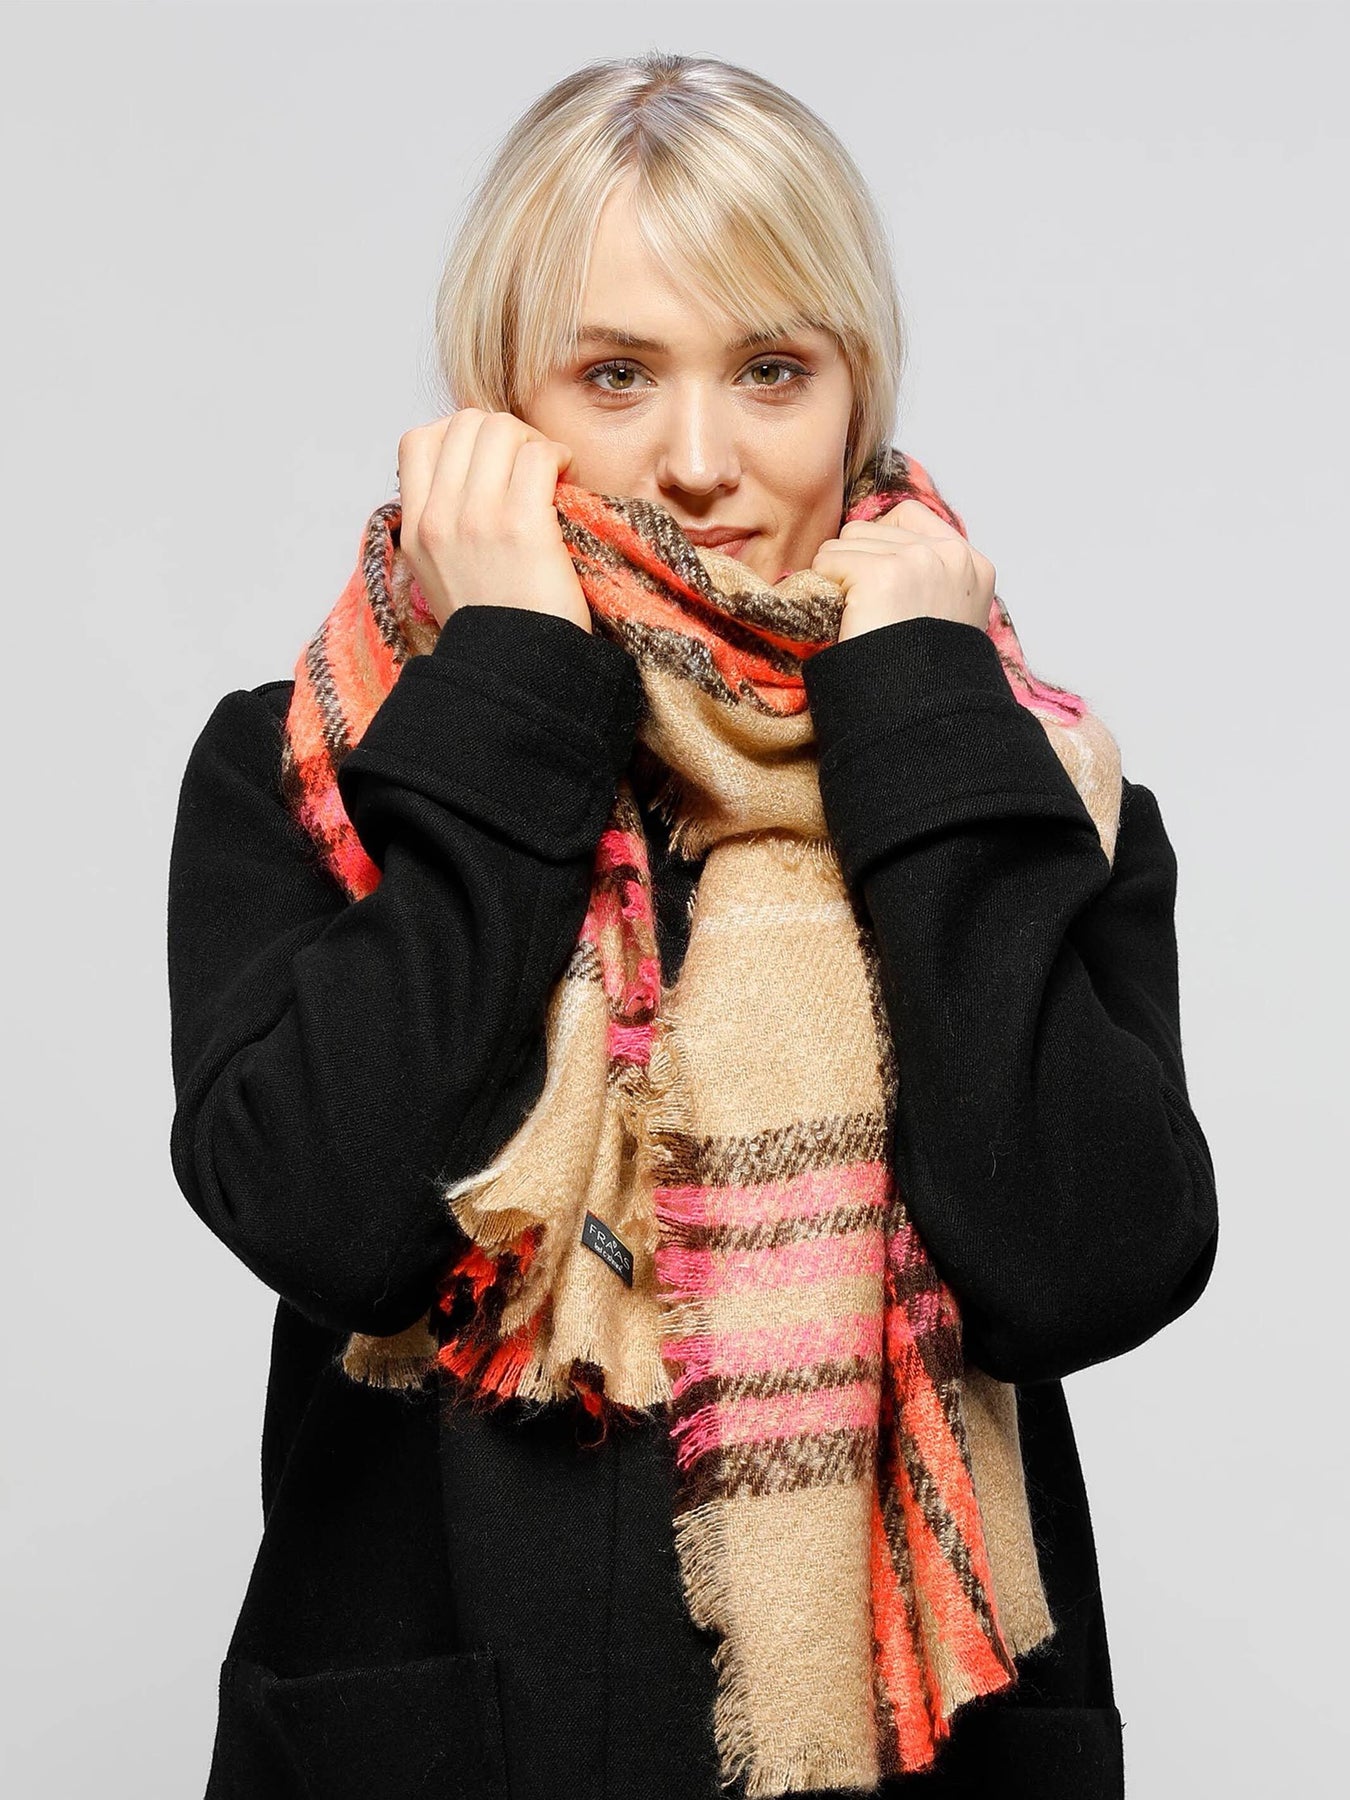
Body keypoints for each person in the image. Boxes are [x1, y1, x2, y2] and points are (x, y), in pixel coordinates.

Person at [165, 51, 1218, 1800]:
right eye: (615, 375)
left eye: (772, 370)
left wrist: (917, 718)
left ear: (856, 391)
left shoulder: (1015, 779)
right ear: (496, 406)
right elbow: (330, 1218)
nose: (702, 461)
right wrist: (513, 675)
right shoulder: (320, 762)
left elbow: (1082, 1267)